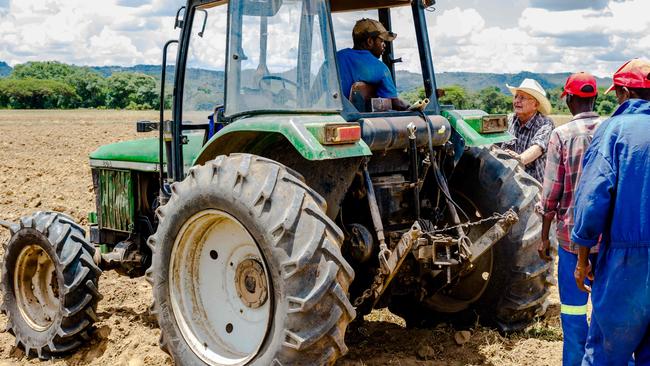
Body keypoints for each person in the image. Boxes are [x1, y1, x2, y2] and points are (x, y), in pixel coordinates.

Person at [571, 58, 650, 365]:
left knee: (606, 352)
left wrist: (582, 259)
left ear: (624, 93)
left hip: (625, 261)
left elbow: (592, 200)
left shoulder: (614, 131)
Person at [537, 72, 601, 366]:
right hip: (608, 239)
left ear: (570, 99)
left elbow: (551, 193)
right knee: (605, 310)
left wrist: (542, 236)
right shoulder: (610, 130)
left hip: (571, 240)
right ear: (595, 98)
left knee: (574, 311)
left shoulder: (561, 135)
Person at [336, 18, 409, 111]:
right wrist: (410, 107)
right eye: (381, 41)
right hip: (358, 120)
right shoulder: (380, 68)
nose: (384, 45)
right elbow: (395, 103)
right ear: (370, 41)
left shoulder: (334, 58)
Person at [501, 78, 554, 182]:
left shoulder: (545, 124)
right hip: (508, 180)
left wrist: (519, 159)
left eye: (522, 98)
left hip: (533, 184)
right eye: (516, 96)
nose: (517, 101)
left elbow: (538, 147)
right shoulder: (509, 119)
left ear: (535, 105)